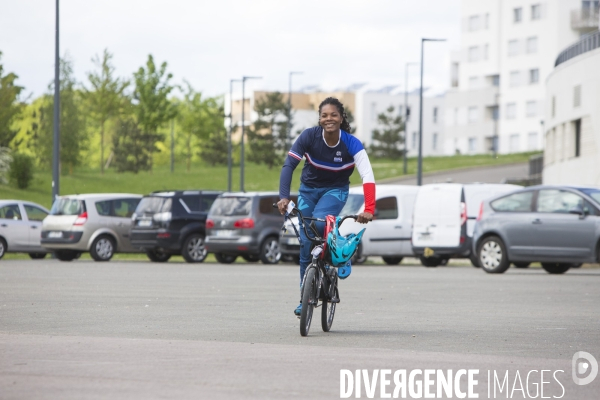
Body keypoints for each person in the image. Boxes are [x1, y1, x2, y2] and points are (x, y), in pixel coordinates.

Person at [277, 97, 375, 316]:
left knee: (320, 224)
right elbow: (289, 165)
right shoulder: (309, 137)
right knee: (305, 240)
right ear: (319, 118)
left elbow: (367, 176)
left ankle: (338, 255)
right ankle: (305, 296)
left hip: (335, 191)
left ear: (341, 118)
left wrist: (369, 208)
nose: (328, 118)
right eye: (324, 115)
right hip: (308, 191)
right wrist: (284, 196)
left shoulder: (351, 143)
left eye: (333, 115)